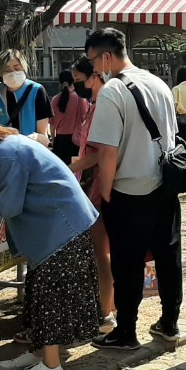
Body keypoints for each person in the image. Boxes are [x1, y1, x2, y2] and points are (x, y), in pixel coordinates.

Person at [0, 107, 100, 370]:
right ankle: (38, 352)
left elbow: (9, 205)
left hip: (60, 227)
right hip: (58, 225)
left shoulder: (4, 154)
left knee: (50, 297)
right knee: (39, 293)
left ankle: (51, 366)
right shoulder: (5, 147)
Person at [85, 28, 185, 351]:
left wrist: (107, 191)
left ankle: (126, 330)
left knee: (127, 264)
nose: (95, 68)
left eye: (93, 61)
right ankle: (170, 322)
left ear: (106, 57)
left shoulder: (113, 91)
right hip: (165, 186)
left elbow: (108, 152)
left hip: (129, 191)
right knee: (169, 258)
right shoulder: (159, 83)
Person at [67, 59, 116, 330]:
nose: (77, 85)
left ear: (95, 76)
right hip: (91, 183)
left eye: (80, 79)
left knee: (101, 253)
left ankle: (105, 314)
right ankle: (108, 309)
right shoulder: (95, 106)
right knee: (102, 252)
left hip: (96, 186)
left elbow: (99, 153)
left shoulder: (102, 107)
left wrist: (71, 167)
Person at [0, 49, 52, 145]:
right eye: (7, 70)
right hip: (4, 149)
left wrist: (36, 138)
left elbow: (42, 134)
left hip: (30, 149)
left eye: (17, 68)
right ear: (0, 73)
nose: (13, 72)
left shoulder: (37, 90)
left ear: (23, 67)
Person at [49, 69, 90, 165]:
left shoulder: (55, 100)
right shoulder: (81, 99)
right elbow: (86, 119)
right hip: (76, 141)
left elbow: (52, 125)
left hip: (60, 141)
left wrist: (54, 141)